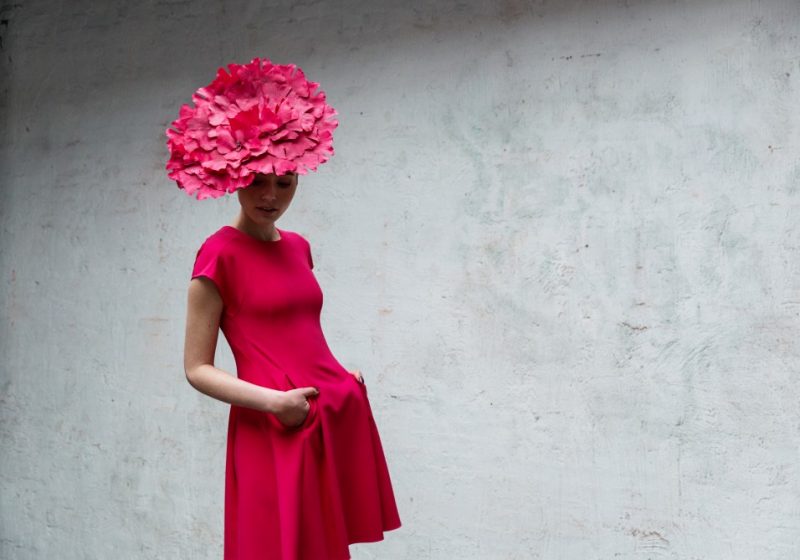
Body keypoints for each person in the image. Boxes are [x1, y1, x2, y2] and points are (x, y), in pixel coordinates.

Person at [167, 58, 402, 560]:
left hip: (327, 416)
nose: (270, 196)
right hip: (274, 426)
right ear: (232, 174)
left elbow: (298, 329)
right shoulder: (219, 254)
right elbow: (196, 369)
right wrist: (275, 403)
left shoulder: (298, 246)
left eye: (285, 181)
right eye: (256, 181)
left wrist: (339, 373)